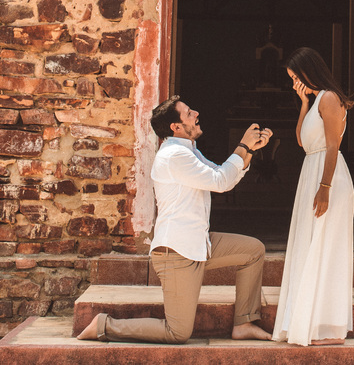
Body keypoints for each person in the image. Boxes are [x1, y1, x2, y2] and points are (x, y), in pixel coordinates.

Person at [76, 97, 275, 343]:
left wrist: (249, 149)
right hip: (176, 253)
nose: (196, 113)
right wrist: (243, 145)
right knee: (178, 332)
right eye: (189, 113)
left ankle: (244, 322)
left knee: (253, 251)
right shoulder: (174, 156)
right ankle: (104, 326)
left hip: (199, 244)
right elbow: (221, 181)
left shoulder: (189, 152)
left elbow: (225, 176)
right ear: (176, 127)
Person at [271, 47, 354, 346]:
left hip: (327, 176)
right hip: (313, 170)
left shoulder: (330, 98)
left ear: (309, 71)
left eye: (296, 77)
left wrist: (325, 188)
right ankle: (312, 321)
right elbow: (300, 139)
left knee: (325, 247)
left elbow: (333, 146)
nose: (295, 82)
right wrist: (303, 102)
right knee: (310, 245)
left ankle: (330, 328)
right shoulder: (316, 99)